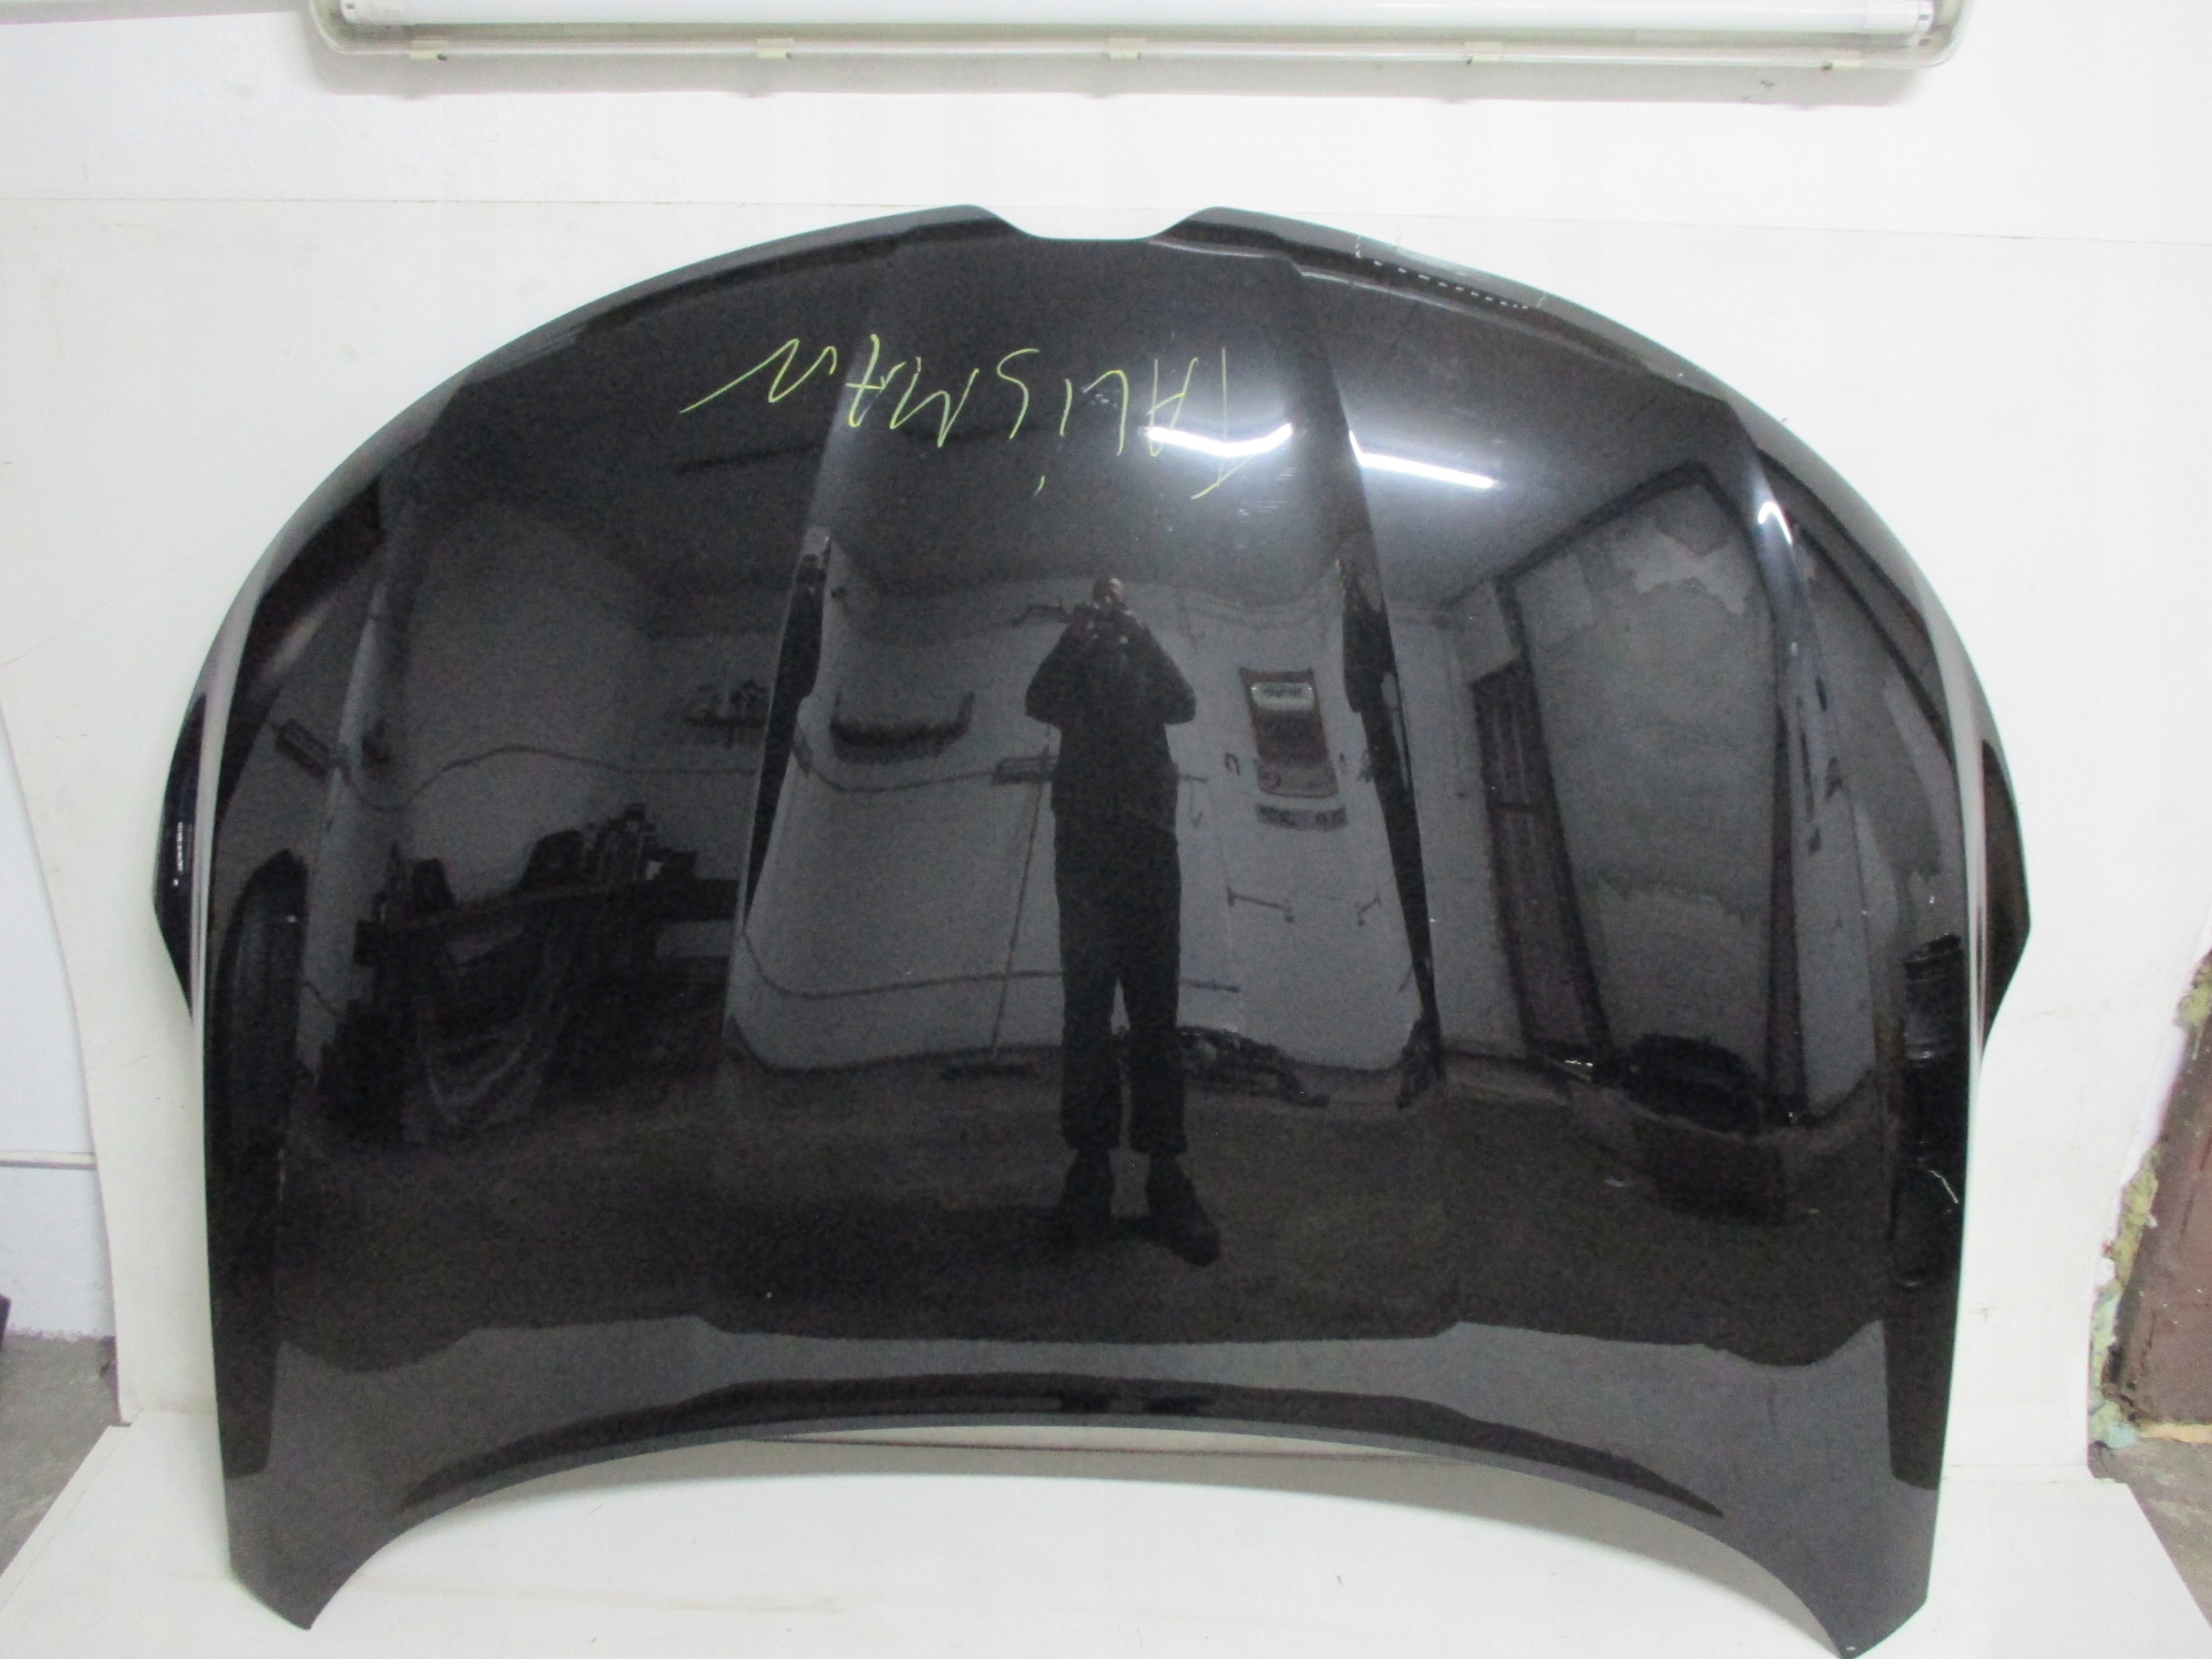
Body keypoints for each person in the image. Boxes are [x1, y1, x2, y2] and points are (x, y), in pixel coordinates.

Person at [1024, 576, 1218, 1266]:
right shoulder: (1074, 670)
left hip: (1147, 850)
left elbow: (1186, 704)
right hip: (1084, 854)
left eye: (1117, 607)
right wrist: (1071, 636)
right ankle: (1090, 1172)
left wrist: (1144, 636)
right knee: (1087, 1013)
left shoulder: (1146, 667)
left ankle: (1166, 1177)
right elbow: (1036, 700)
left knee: (1155, 1015)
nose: (1109, 616)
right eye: (1101, 607)